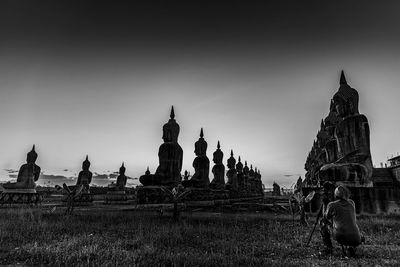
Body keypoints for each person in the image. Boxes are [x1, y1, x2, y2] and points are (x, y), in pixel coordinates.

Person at [320, 185, 364, 256]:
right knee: (352, 230)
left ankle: (329, 248)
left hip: (340, 235)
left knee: (322, 224)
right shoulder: (352, 203)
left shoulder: (331, 205)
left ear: (336, 195)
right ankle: (351, 247)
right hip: (356, 237)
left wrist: (325, 205)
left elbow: (325, 218)